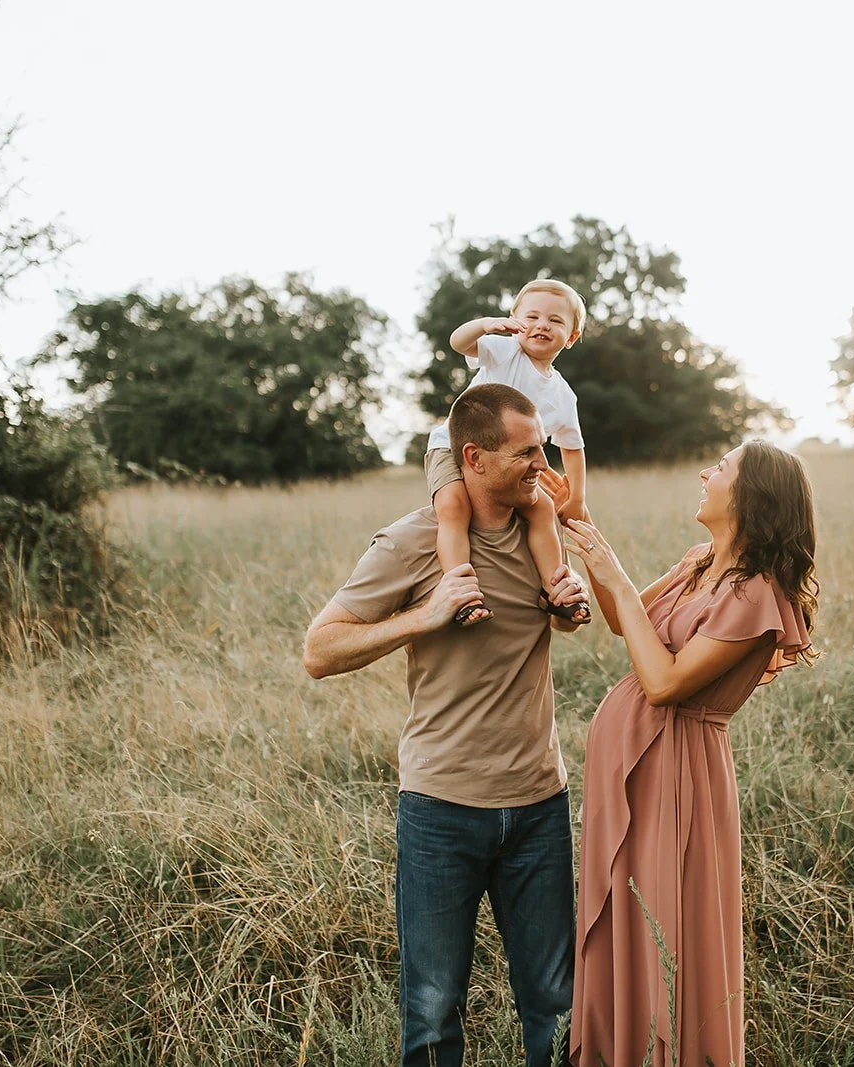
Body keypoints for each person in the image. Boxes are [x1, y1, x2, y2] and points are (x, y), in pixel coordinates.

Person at [301, 383, 589, 1067]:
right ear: (473, 458)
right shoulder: (412, 543)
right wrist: (425, 615)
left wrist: (566, 606)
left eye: (543, 445)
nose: (541, 462)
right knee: (432, 1008)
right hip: (439, 810)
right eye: (524, 451)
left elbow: (550, 619)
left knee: (557, 1002)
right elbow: (319, 649)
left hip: (539, 806)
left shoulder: (540, 530)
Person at [558, 441, 819, 1067]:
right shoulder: (701, 562)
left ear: (751, 495)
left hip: (678, 772)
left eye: (721, 468)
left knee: (664, 916)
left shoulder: (756, 594)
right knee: (627, 907)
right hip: (633, 765)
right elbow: (627, 622)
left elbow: (665, 682)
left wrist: (615, 573)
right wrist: (581, 522)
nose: (706, 473)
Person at [423, 278, 591, 628]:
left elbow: (573, 448)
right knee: (454, 507)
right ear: (515, 323)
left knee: (543, 509)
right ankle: (461, 594)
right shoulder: (505, 351)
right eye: (531, 317)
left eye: (556, 320)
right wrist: (484, 325)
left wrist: (576, 497)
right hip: (452, 446)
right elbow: (458, 343)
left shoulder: (563, 395)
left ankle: (556, 589)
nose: (541, 325)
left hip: (510, 467)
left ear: (572, 337)